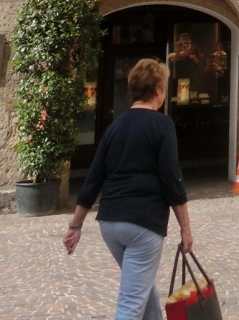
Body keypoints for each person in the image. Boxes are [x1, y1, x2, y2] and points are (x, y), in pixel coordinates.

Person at [63, 58, 193, 320]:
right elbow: (172, 179)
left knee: (142, 289)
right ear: (158, 91)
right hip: (144, 225)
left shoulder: (114, 127)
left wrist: (76, 225)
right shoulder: (162, 125)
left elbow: (94, 178)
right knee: (131, 304)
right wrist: (186, 229)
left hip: (110, 223)